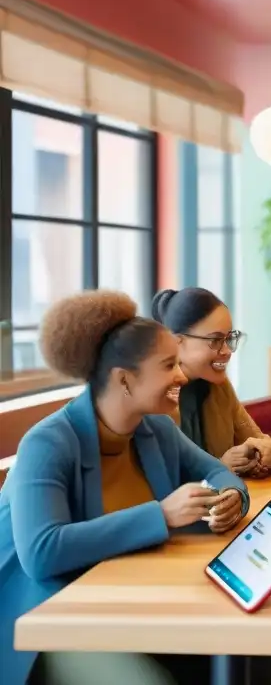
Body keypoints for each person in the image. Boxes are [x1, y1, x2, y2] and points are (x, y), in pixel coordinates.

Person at [0, 291, 253, 685]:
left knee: (251, 654)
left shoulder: (157, 428)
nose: (182, 376)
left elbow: (218, 473)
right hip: (47, 617)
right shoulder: (47, 444)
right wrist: (162, 515)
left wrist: (232, 496)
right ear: (124, 379)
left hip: (128, 598)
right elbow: (41, 552)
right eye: (169, 365)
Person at [152, 288, 271, 476]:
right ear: (176, 342)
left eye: (229, 338)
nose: (228, 351)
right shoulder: (152, 397)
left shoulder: (219, 387)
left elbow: (258, 441)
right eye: (215, 340)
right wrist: (219, 467)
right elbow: (161, 484)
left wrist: (265, 455)